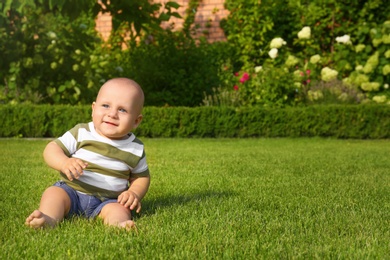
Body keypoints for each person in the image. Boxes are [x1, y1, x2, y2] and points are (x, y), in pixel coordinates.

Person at [25, 78, 150, 230]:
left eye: (122, 110)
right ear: (93, 109)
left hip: (109, 201)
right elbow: (51, 149)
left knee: (119, 210)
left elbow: (141, 177)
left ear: (136, 121)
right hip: (72, 191)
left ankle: (119, 224)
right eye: (105, 105)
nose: (112, 114)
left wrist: (134, 193)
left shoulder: (135, 148)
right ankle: (48, 218)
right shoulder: (82, 132)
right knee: (54, 194)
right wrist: (64, 162)